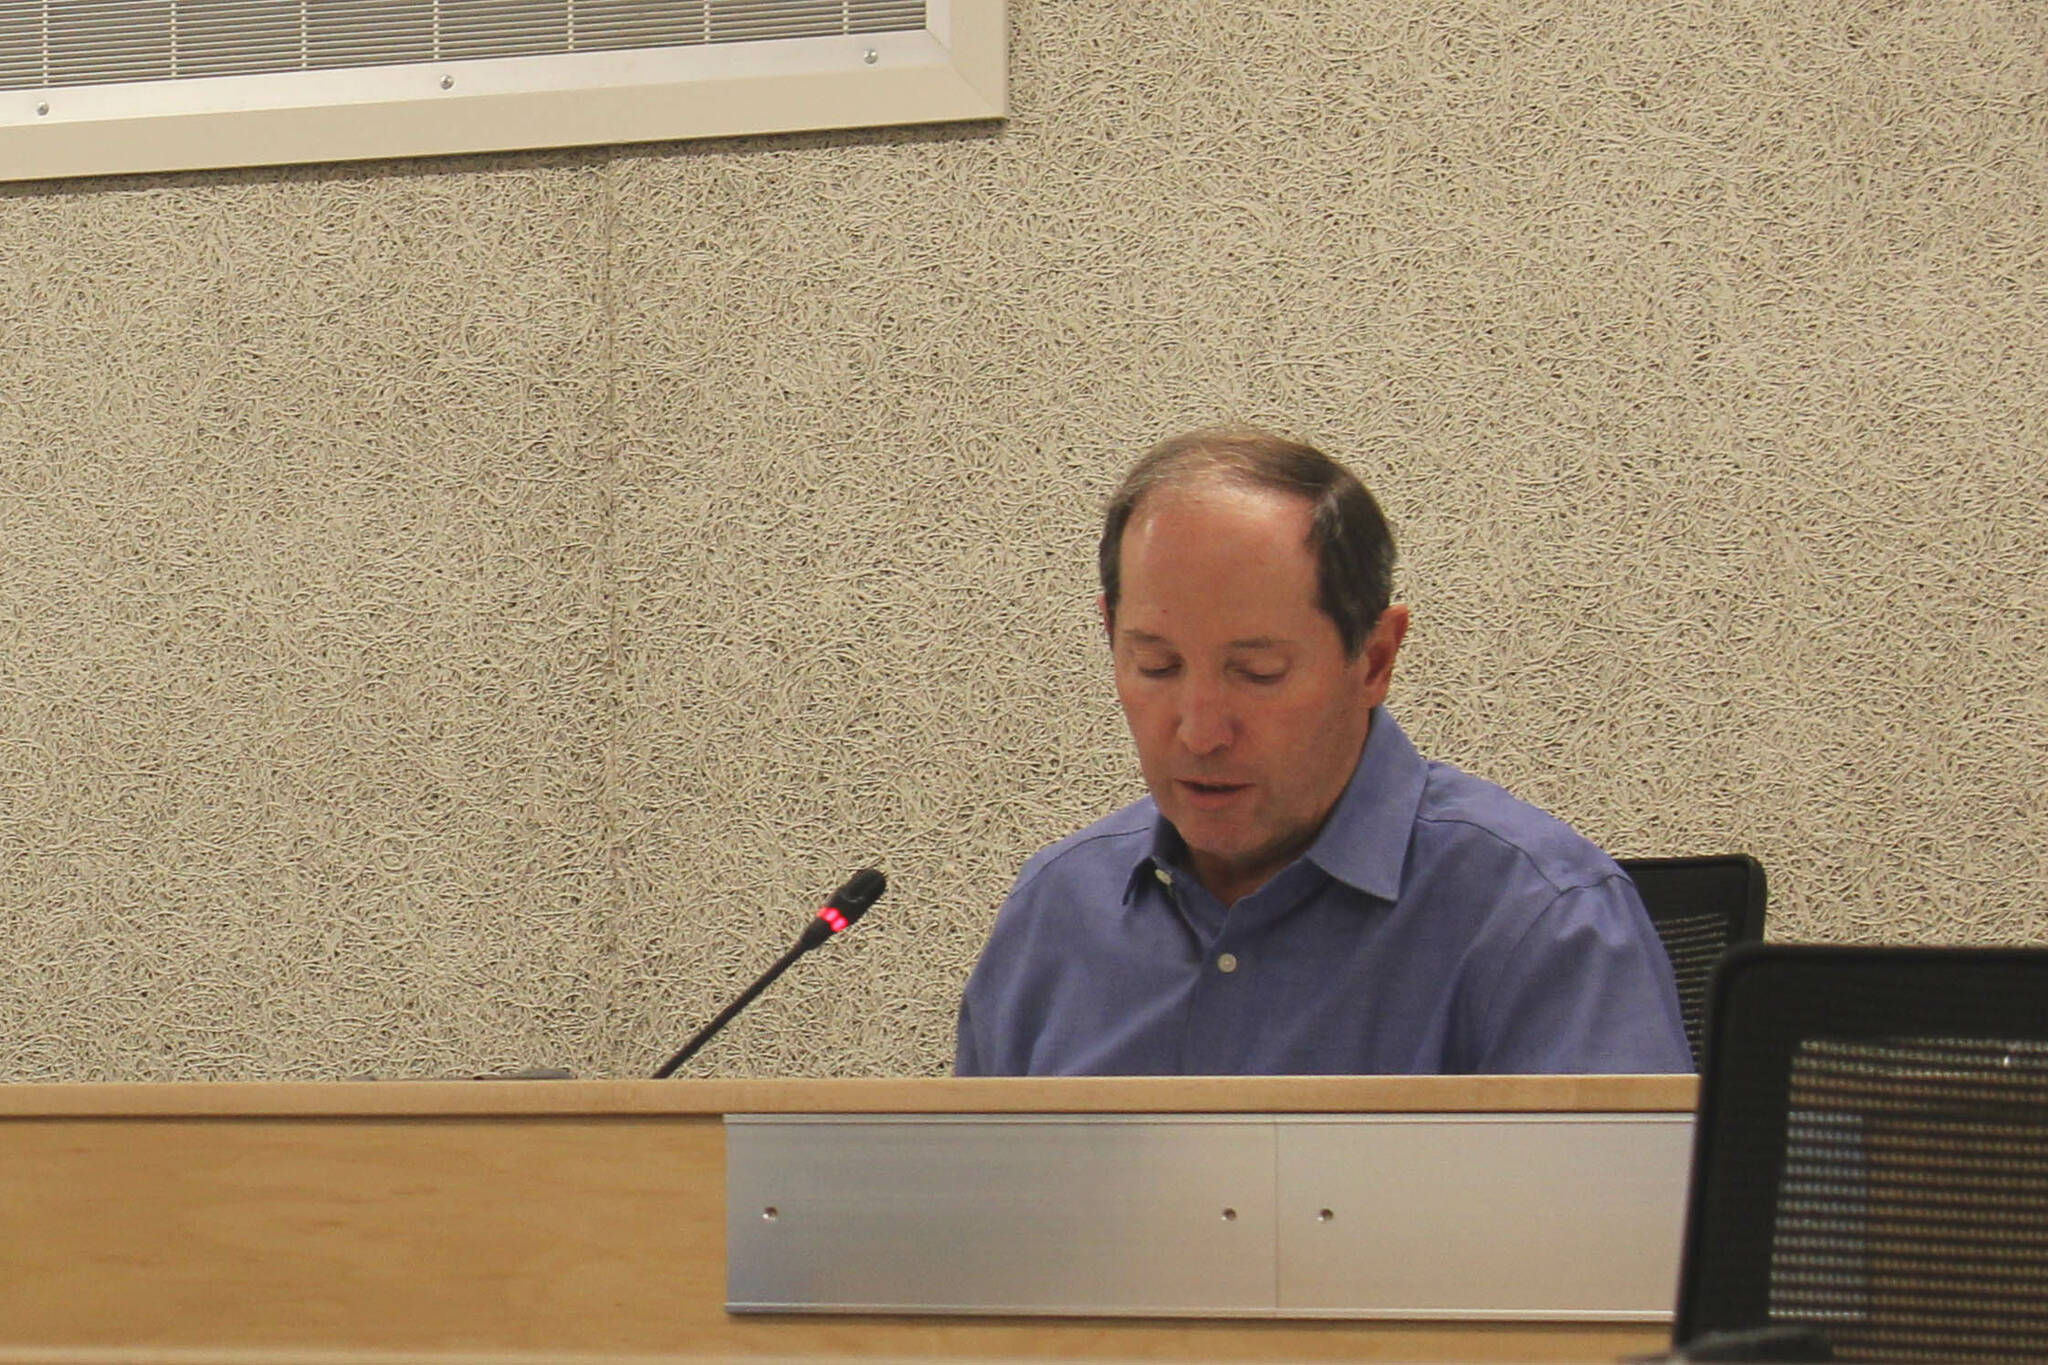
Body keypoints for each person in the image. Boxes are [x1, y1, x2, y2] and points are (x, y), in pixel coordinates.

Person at [955, 428, 1692, 1076]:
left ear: (1374, 660)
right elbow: (985, 1225)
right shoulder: (1057, 910)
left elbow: (1617, 1233)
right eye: (1156, 666)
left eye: (1257, 672)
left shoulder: (1541, 919)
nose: (1200, 731)